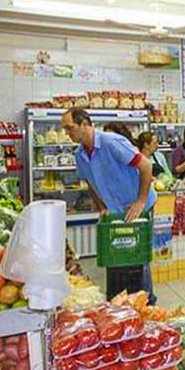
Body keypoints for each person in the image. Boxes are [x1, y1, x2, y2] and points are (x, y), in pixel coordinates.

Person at [61, 108, 158, 301]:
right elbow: (89, 182)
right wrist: (101, 206)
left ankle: (146, 303)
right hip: (115, 211)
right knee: (117, 256)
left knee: (136, 257)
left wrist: (140, 201)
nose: (67, 133)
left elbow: (146, 166)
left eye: (69, 128)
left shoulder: (110, 142)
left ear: (85, 124)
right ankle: (119, 303)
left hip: (137, 206)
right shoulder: (80, 154)